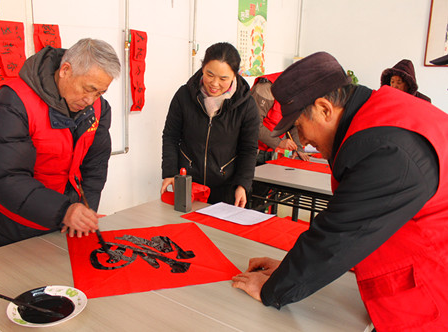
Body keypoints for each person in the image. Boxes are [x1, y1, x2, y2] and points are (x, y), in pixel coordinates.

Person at [232, 52, 448, 331]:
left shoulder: (388, 149)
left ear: (324, 109)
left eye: (299, 126)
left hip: (429, 287)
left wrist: (274, 288)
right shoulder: (380, 113)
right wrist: (288, 268)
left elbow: (339, 235)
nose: (303, 139)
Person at [0, 38, 121, 247]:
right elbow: (5, 177)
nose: (90, 100)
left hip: (62, 221)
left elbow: (95, 166)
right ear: (65, 70)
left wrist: (83, 209)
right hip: (14, 225)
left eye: (99, 92)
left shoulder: (99, 108)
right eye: (87, 88)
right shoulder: (15, 100)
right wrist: (64, 211)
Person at [161, 42, 259, 208]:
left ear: (235, 75)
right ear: (202, 68)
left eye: (223, 79)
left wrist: (243, 184)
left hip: (226, 188)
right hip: (189, 185)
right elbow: (171, 136)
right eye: (209, 74)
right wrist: (170, 172)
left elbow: (248, 149)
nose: (214, 84)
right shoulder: (184, 96)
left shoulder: (246, 105)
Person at [250, 72, 309, 165]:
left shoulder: (297, 92)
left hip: (270, 150)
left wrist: (299, 148)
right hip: (252, 149)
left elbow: (292, 123)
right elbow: (253, 124)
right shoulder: (266, 88)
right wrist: (279, 143)